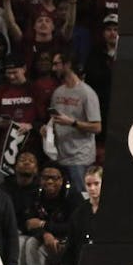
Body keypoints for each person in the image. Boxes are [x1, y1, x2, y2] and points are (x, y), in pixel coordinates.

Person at [48, 51, 102, 194]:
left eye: (56, 64)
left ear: (67, 65)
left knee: (81, 199)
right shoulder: (58, 92)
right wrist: (47, 127)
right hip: (60, 156)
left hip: (80, 158)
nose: (53, 69)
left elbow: (97, 127)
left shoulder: (87, 93)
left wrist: (72, 123)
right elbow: (55, 119)